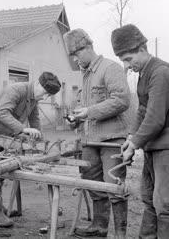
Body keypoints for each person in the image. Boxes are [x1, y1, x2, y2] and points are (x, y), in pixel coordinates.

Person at [0, 72, 61, 228]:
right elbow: (1, 113)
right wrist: (23, 129)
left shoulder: (33, 98)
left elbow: (35, 120)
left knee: (3, 165)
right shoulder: (16, 90)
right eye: (45, 93)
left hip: (3, 132)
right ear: (37, 84)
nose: (45, 98)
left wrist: (40, 141)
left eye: (49, 96)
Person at [63, 29, 130, 238]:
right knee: (93, 186)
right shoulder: (85, 75)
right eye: (72, 56)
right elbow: (84, 107)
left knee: (114, 187)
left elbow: (121, 100)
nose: (75, 60)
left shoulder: (111, 68)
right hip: (89, 141)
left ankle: (120, 234)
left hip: (111, 140)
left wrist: (89, 112)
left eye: (77, 54)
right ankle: (99, 228)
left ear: (88, 47)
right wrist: (76, 119)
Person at [111, 24, 169, 239]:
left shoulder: (160, 72)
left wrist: (135, 143)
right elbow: (142, 111)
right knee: (148, 197)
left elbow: (155, 119)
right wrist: (130, 137)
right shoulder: (145, 74)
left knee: (164, 203)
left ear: (142, 50)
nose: (127, 65)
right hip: (153, 146)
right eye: (124, 61)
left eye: (128, 59)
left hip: (166, 148)